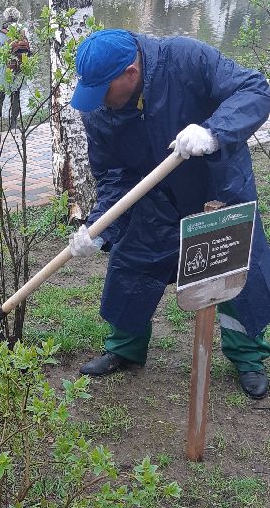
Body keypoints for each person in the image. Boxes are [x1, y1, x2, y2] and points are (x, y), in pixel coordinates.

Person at [69, 28, 270, 400]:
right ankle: (124, 349)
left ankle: (248, 357)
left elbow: (256, 89)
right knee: (133, 262)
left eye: (103, 89)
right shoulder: (99, 110)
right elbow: (113, 175)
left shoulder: (185, 57)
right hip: (155, 196)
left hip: (217, 188)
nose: (97, 101)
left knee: (233, 270)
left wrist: (214, 131)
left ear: (131, 72)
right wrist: (100, 226)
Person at [0, 6, 30, 131]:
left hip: (5, 68)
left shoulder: (3, 32)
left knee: (0, 95)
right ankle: (13, 123)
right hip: (19, 67)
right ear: (18, 17)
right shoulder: (23, 31)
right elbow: (29, 50)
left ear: (6, 17)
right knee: (16, 95)